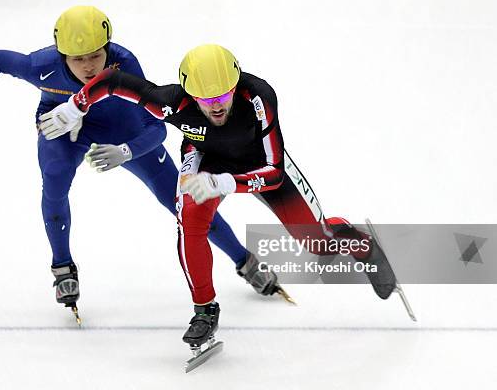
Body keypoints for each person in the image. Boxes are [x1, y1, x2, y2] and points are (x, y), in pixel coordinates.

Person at [0, 7, 286, 323]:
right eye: (77, 59)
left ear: (109, 48)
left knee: (186, 203)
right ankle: (63, 268)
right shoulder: (40, 66)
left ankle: (244, 260)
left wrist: (127, 150)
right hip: (64, 129)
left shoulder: (124, 64)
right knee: (56, 178)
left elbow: (156, 128)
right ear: (62, 55)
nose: (89, 66)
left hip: (125, 132)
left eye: (96, 56)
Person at [38, 44, 399, 346]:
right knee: (189, 220)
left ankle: (358, 242)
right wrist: (75, 106)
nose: (217, 105)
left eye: (224, 94)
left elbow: (274, 173)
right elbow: (113, 81)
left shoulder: (259, 97)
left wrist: (229, 182)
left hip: (259, 167)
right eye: (206, 98)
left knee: (317, 243)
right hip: (206, 163)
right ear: (189, 93)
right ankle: (204, 309)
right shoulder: (170, 103)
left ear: (236, 83)